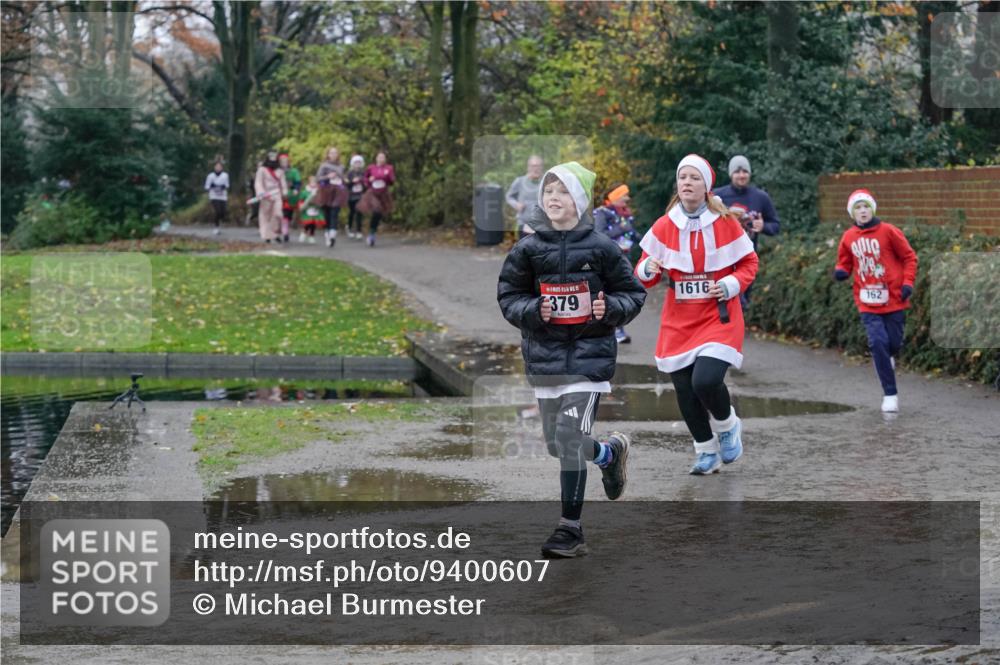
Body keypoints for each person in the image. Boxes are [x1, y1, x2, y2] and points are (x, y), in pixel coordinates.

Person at [497, 161, 647, 558]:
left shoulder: (601, 248)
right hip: (546, 360)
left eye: (562, 192)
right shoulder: (528, 248)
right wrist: (534, 311)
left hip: (589, 360)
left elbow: (633, 293)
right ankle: (609, 454)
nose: (553, 198)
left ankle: (570, 529)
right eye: (548, 192)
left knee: (566, 438)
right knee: (555, 444)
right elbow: (509, 296)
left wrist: (607, 308)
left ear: (579, 202)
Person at [635, 154, 758, 475]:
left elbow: (749, 264)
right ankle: (705, 451)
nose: (687, 183)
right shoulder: (665, 224)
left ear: (706, 186)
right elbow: (644, 270)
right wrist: (647, 267)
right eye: (682, 177)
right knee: (684, 387)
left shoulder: (726, 222)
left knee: (706, 381)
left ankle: (728, 424)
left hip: (719, 317)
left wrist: (732, 283)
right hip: (679, 320)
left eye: (694, 178)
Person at [833, 189, 918, 413]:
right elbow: (844, 262)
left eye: (866, 206)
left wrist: (907, 283)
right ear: (852, 213)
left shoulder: (889, 231)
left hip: (894, 298)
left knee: (893, 343)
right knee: (877, 342)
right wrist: (841, 271)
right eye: (858, 208)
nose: (863, 211)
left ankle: (886, 358)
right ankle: (890, 393)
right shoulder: (849, 237)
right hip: (867, 301)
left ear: (872, 209)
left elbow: (909, 257)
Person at [713, 155, 780, 306]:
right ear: (731, 174)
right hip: (721, 259)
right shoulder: (717, 196)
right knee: (724, 303)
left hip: (746, 260)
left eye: (745, 171)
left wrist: (763, 227)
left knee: (742, 304)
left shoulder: (761, 197)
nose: (742, 175)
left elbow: (775, 226)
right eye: (737, 171)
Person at [594, 182, 640, 344]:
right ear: (615, 197)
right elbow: (599, 234)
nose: (626, 200)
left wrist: (649, 243)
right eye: (623, 196)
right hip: (607, 259)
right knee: (611, 292)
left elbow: (633, 235)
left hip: (623, 258)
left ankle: (617, 329)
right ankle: (613, 330)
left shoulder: (625, 214)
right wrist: (621, 228)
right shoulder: (602, 213)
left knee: (622, 292)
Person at [358, 151, 395, 247]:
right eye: (379, 157)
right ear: (376, 158)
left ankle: (372, 231)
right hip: (373, 193)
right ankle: (371, 234)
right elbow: (365, 179)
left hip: (383, 194)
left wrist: (387, 178)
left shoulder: (389, 168)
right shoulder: (371, 168)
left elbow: (392, 181)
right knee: (376, 210)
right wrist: (368, 180)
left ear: (385, 159)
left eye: (383, 157)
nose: (381, 159)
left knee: (379, 214)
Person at [314, 147, 349, 247]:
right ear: (328, 155)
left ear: (338, 155)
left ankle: (333, 235)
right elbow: (317, 178)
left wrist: (345, 180)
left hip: (338, 192)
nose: (333, 155)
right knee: (327, 214)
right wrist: (327, 177)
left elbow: (343, 178)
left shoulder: (341, 166)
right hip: (326, 191)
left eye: (335, 153)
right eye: (331, 153)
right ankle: (327, 233)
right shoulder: (324, 165)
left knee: (335, 212)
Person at [506, 155, 544, 238]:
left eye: (538, 166)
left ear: (542, 167)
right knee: (525, 249)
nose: (536, 168)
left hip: (542, 224)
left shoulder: (546, 182)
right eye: (533, 166)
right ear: (528, 167)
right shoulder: (520, 181)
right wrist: (516, 204)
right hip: (524, 223)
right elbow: (509, 196)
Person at [253, 151, 287, 244]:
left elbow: (283, 183)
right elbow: (258, 182)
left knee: (278, 214)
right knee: (265, 216)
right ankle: (266, 235)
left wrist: (284, 192)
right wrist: (261, 192)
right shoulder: (262, 170)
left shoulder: (280, 171)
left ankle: (275, 233)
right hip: (266, 196)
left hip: (276, 195)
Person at [279, 153, 302, 244]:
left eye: (285, 161)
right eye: (282, 161)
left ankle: (286, 229)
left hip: (290, 195)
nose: (284, 163)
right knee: (281, 213)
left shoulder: (293, 171)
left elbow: (298, 182)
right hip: (279, 195)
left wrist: (296, 189)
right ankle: (283, 231)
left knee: (288, 214)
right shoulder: (277, 171)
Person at [345, 154, 367, 240]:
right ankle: (349, 227)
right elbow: (346, 184)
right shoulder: (349, 173)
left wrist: (362, 182)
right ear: (352, 164)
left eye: (359, 162)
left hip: (360, 195)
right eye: (356, 162)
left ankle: (359, 231)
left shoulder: (363, 172)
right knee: (352, 212)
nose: (357, 164)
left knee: (359, 212)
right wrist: (352, 182)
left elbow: (366, 183)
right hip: (351, 196)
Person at [298, 175, 325, 244]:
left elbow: (321, 200)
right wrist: (302, 205)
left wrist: (319, 204)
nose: (313, 184)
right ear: (309, 183)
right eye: (312, 182)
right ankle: (304, 232)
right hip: (307, 209)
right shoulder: (305, 192)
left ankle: (311, 236)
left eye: (315, 182)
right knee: (308, 223)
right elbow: (301, 200)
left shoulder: (318, 192)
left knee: (313, 224)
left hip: (315, 209)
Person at [204, 162, 229, 235]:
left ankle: (220, 221)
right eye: (216, 166)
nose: (218, 168)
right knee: (217, 211)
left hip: (223, 196)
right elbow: (207, 186)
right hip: (214, 196)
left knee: (223, 212)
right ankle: (216, 227)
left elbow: (227, 185)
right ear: (214, 167)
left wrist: (222, 187)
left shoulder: (225, 175)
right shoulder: (210, 176)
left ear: (222, 168)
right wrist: (213, 186)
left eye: (219, 167)